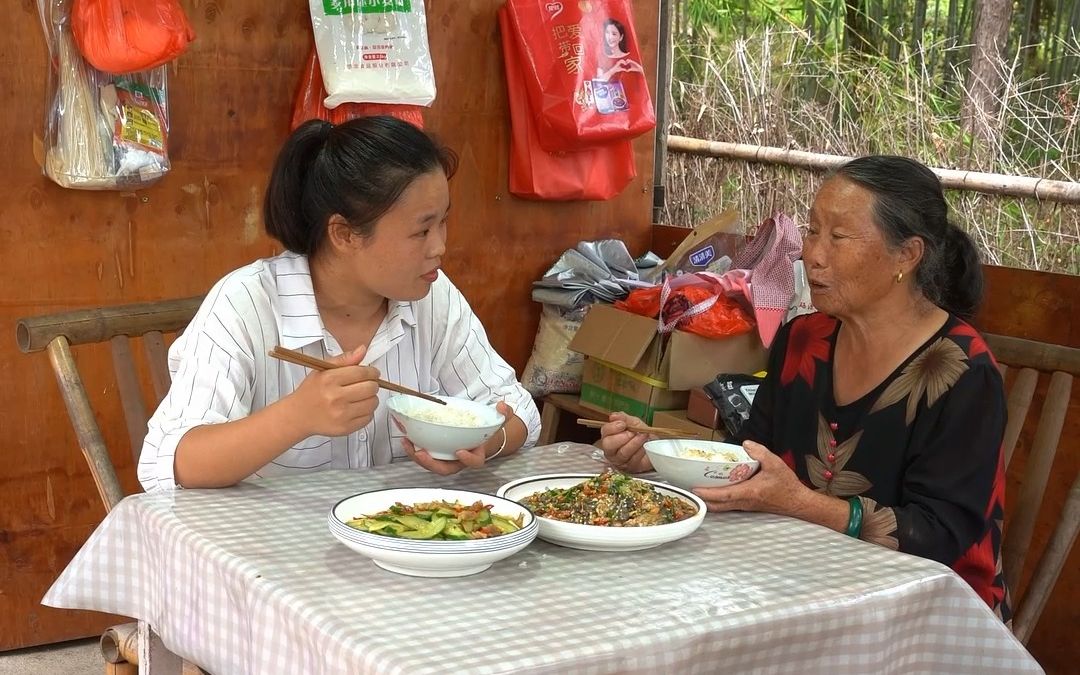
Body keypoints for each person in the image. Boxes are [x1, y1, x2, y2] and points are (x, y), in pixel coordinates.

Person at [599, 155, 1011, 622]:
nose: (812, 254)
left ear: (907, 255)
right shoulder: (804, 339)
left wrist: (802, 504)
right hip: (800, 581)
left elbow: (941, 535)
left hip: (923, 611)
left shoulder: (962, 374)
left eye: (838, 236)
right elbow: (752, 458)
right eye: (813, 231)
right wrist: (658, 453)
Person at [138, 116, 541, 492]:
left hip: (399, 539)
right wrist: (297, 415)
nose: (441, 247)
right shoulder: (247, 303)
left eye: (444, 222)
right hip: (272, 549)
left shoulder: (432, 297)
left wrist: (488, 443)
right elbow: (170, 462)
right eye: (421, 231)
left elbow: (516, 408)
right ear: (345, 234)